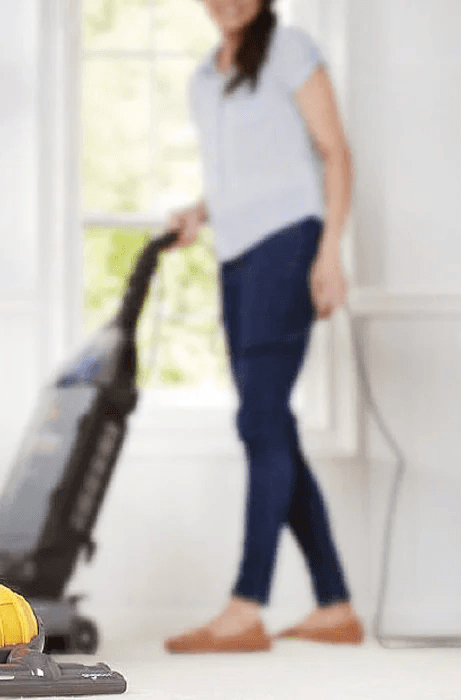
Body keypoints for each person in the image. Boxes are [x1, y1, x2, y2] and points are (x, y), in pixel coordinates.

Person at [164, 0, 364, 653]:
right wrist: (197, 212)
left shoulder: (289, 49)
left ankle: (245, 605)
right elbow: (241, 176)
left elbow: (334, 154)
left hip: (290, 247)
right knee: (268, 421)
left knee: (258, 421)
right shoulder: (203, 76)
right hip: (236, 259)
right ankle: (333, 605)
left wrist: (329, 253)